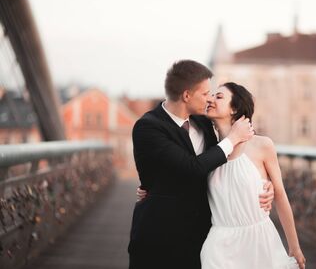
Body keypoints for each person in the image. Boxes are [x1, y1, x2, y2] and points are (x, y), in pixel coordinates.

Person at [128, 60, 274, 269]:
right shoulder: (148, 127)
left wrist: (263, 184)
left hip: (201, 236)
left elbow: (223, 166)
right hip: (159, 235)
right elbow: (192, 167)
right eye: (205, 93)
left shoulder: (204, 123)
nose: (210, 98)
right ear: (187, 95)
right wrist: (232, 139)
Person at [199, 82, 306, 269]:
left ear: (234, 108)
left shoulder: (262, 145)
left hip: (259, 243)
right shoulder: (207, 153)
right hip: (218, 247)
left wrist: (294, 246)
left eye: (219, 96)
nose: (211, 99)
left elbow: (280, 195)